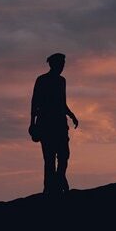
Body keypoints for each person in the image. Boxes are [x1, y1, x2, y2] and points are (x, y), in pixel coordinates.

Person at [30, 53, 79, 195]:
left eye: (63, 64)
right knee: (49, 158)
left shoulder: (62, 81)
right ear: (53, 64)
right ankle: (50, 189)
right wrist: (32, 123)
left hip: (60, 124)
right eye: (60, 64)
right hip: (46, 124)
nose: (62, 67)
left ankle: (59, 180)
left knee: (64, 155)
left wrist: (72, 115)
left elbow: (62, 103)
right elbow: (35, 102)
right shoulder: (42, 80)